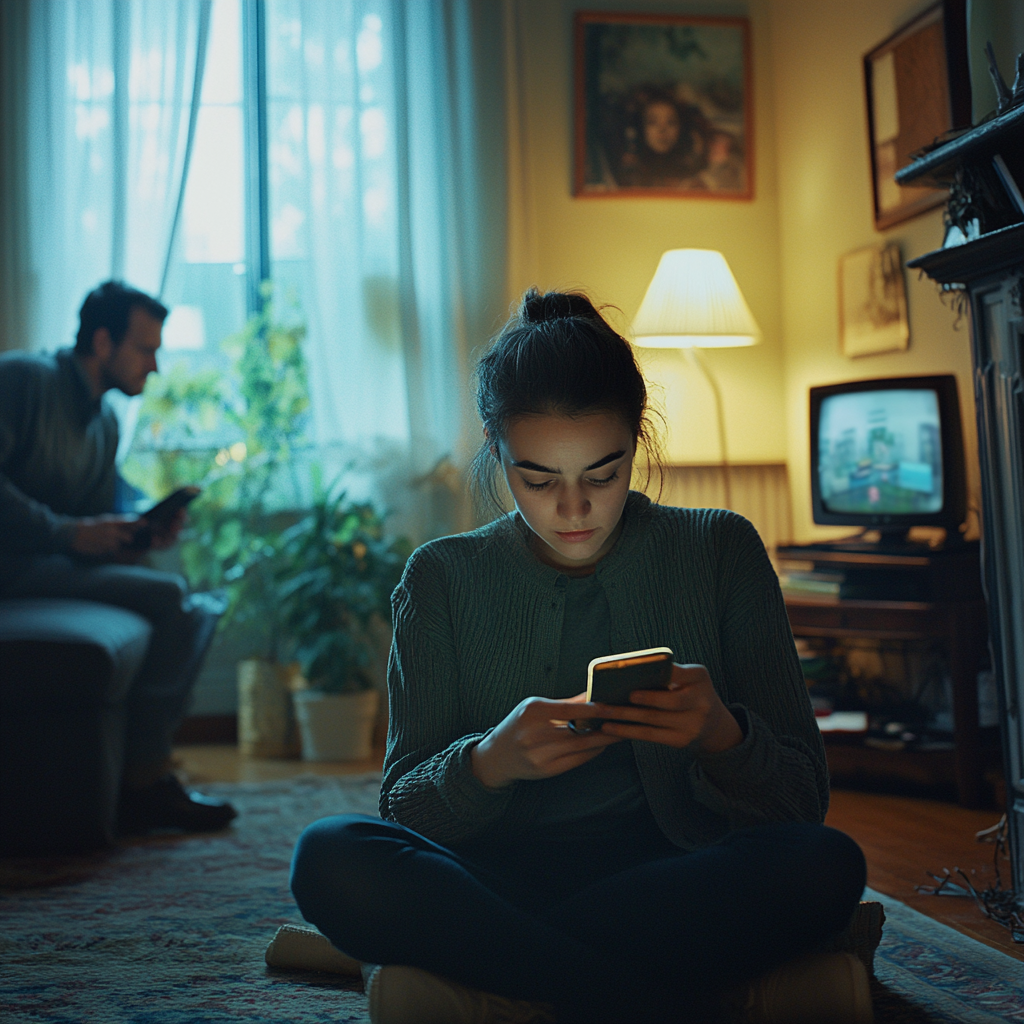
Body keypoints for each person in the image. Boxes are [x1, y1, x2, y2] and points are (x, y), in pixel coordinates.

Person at [288, 290, 870, 1024]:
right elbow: (405, 813)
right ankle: (691, 999)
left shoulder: (720, 548)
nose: (574, 509)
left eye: (603, 473)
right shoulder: (439, 576)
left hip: (672, 875)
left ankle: (495, 991)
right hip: (492, 880)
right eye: (538, 479)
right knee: (330, 855)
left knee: (827, 866)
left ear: (638, 442)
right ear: (496, 451)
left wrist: (723, 736)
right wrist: (489, 762)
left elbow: (801, 804)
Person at [0, 280, 236, 834]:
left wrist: (139, 529)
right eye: (146, 349)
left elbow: (95, 513)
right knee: (167, 595)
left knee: (199, 604)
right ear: (103, 342)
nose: (153, 367)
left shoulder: (104, 422)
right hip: (10, 567)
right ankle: (144, 780)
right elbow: (72, 528)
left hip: (47, 564)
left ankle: (145, 770)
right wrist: (68, 534)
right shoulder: (22, 381)